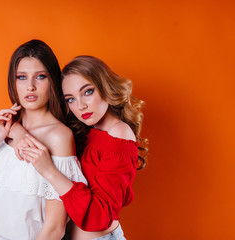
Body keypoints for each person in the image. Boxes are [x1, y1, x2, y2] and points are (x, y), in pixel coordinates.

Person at [14, 55, 147, 240]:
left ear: (104, 87)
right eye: (70, 99)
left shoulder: (119, 134)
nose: (81, 106)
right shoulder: (85, 128)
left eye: (88, 92)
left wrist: (50, 171)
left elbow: (99, 216)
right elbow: (20, 119)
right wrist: (19, 133)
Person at [0, 40, 86, 240]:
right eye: (21, 77)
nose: (30, 86)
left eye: (40, 77)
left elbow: (55, 228)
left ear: (53, 81)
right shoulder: (7, 129)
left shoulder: (59, 137)